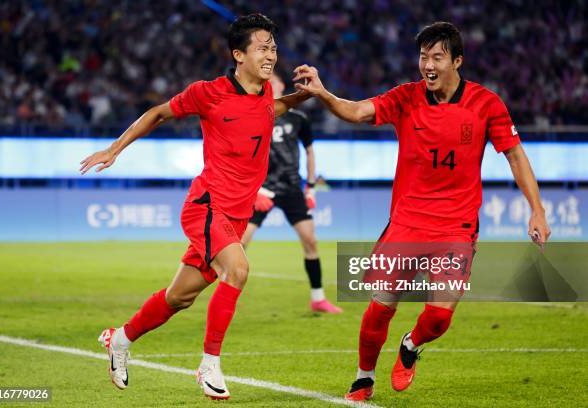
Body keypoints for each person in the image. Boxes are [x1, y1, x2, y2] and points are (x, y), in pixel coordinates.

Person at [293, 21, 551, 401]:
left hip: (457, 225)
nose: (427, 65)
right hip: (407, 220)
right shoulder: (406, 97)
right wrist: (323, 93)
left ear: (457, 61)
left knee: (439, 317)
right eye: (423, 57)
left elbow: (515, 155)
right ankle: (364, 376)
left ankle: (411, 345)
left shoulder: (486, 104)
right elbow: (359, 112)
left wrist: (537, 210)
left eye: (437, 57)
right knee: (380, 308)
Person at [80, 14, 310, 400]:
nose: (270, 54)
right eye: (261, 48)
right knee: (237, 269)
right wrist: (114, 149)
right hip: (206, 205)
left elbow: (273, 110)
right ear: (239, 54)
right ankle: (209, 365)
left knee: (178, 297)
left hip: (234, 216)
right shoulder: (209, 92)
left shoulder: (267, 96)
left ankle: (119, 339)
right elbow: (158, 113)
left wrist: (306, 94)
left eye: (273, 47)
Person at [240, 72, 342, 313]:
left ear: (281, 86)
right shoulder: (252, 117)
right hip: (263, 190)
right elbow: (243, 158)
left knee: (310, 241)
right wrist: (254, 191)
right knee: (239, 244)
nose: (268, 85)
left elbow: (309, 153)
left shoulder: (298, 118)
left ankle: (318, 298)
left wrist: (311, 188)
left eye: (272, 82)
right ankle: (225, 292)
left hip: (292, 188)